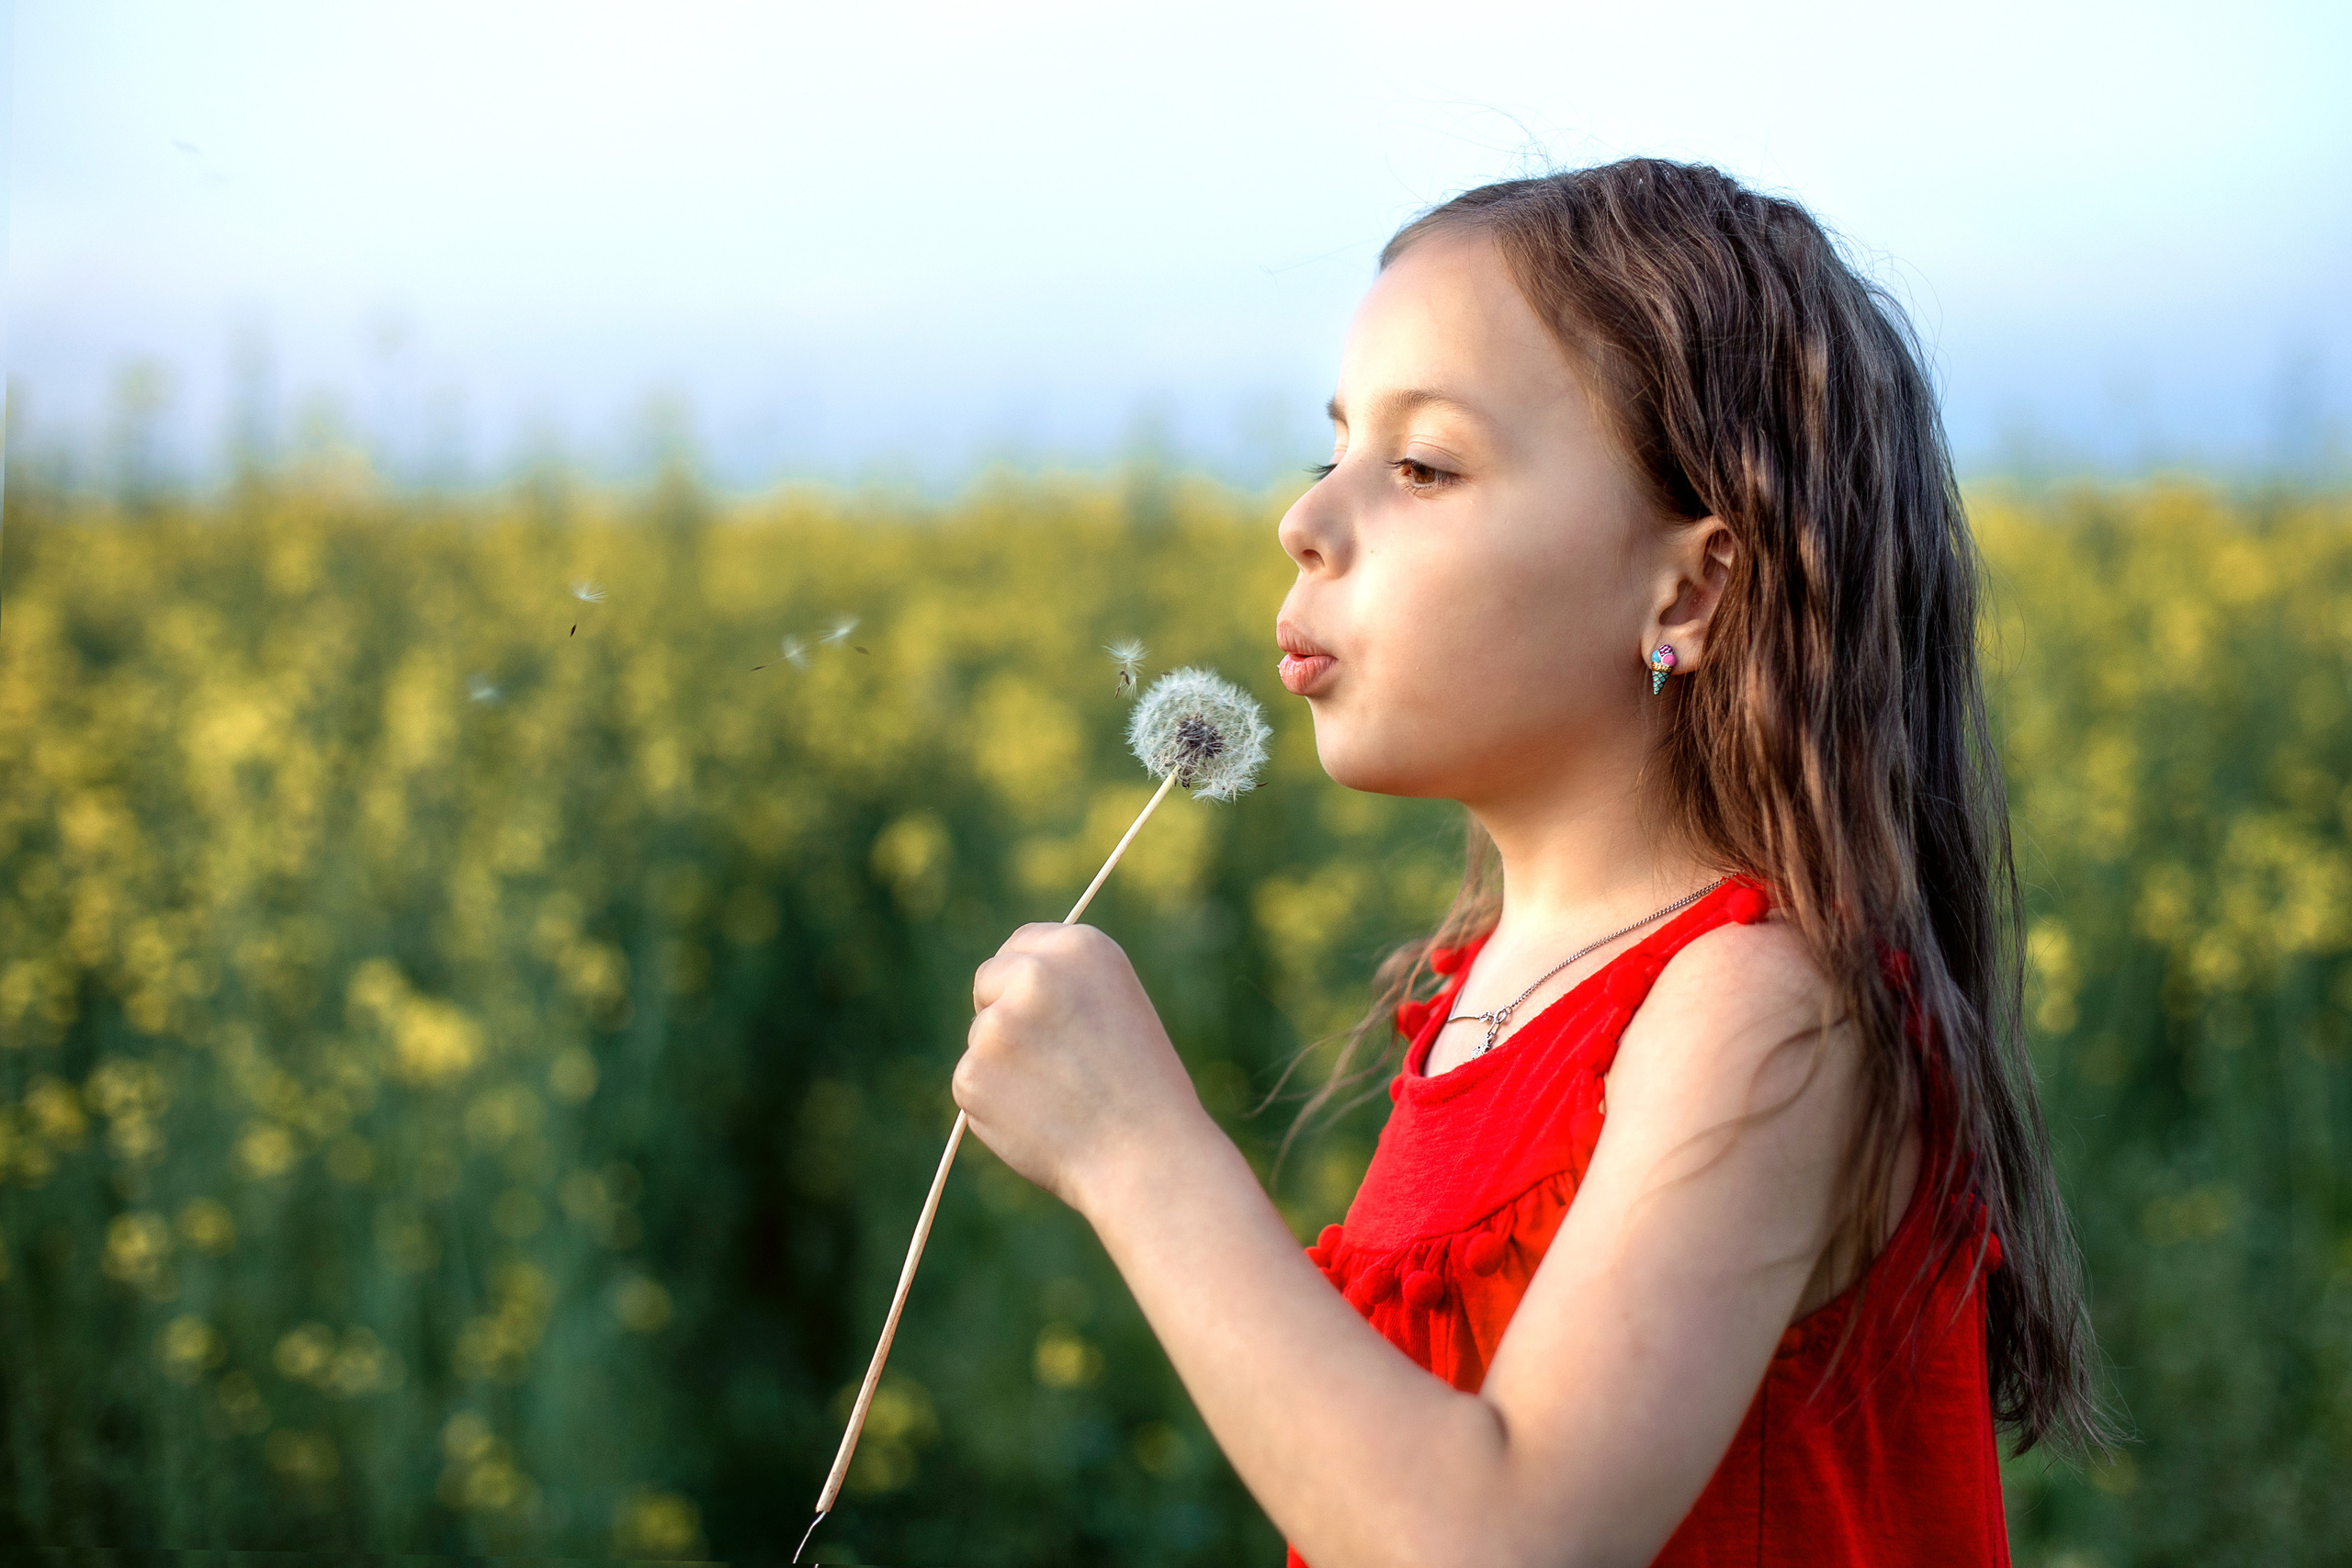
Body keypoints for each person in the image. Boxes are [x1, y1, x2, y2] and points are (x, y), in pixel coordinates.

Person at [953, 158, 2107, 1567]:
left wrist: (1138, 1151)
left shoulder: (1759, 1015)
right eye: (1332, 456)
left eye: (1424, 466)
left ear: (1686, 589)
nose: (1304, 521)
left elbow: (1500, 1541)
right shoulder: (1481, 995)